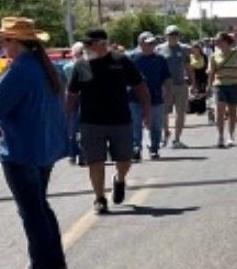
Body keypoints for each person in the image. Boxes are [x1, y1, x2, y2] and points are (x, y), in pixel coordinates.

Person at [0, 17, 69, 269]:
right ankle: (53, 261)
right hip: (43, 147)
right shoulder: (47, 68)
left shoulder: (20, 70)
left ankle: (43, 268)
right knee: (40, 206)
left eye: (4, 39)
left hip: (21, 148)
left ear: (16, 43)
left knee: (31, 210)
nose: (0, 44)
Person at [67, 29, 150, 214]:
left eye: (89, 43)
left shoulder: (121, 61)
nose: (86, 47)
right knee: (95, 162)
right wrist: (65, 119)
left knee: (125, 160)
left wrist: (146, 111)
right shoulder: (81, 65)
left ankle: (119, 179)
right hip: (90, 122)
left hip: (120, 120)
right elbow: (71, 94)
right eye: (85, 44)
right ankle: (99, 198)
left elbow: (140, 86)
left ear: (103, 43)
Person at [130, 32, 170, 161]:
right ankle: (136, 148)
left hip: (156, 97)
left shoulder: (160, 59)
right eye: (148, 43)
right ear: (140, 44)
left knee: (156, 125)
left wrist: (168, 94)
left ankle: (154, 148)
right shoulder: (132, 59)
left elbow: (166, 79)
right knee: (135, 124)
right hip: (135, 98)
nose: (151, 46)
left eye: (153, 43)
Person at [209, 31, 237, 148]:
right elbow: (212, 72)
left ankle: (231, 136)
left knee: (232, 111)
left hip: (234, 85)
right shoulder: (214, 55)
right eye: (215, 41)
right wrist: (209, 86)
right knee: (219, 111)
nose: (216, 43)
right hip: (219, 85)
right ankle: (220, 136)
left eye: (218, 41)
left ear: (226, 41)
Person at [157, 27, 191, 148]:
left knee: (180, 112)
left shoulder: (184, 49)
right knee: (164, 112)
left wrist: (192, 80)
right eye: (170, 34)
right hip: (165, 86)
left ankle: (177, 139)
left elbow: (188, 65)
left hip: (180, 84)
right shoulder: (159, 49)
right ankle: (165, 133)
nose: (173, 36)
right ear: (166, 35)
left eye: (176, 34)